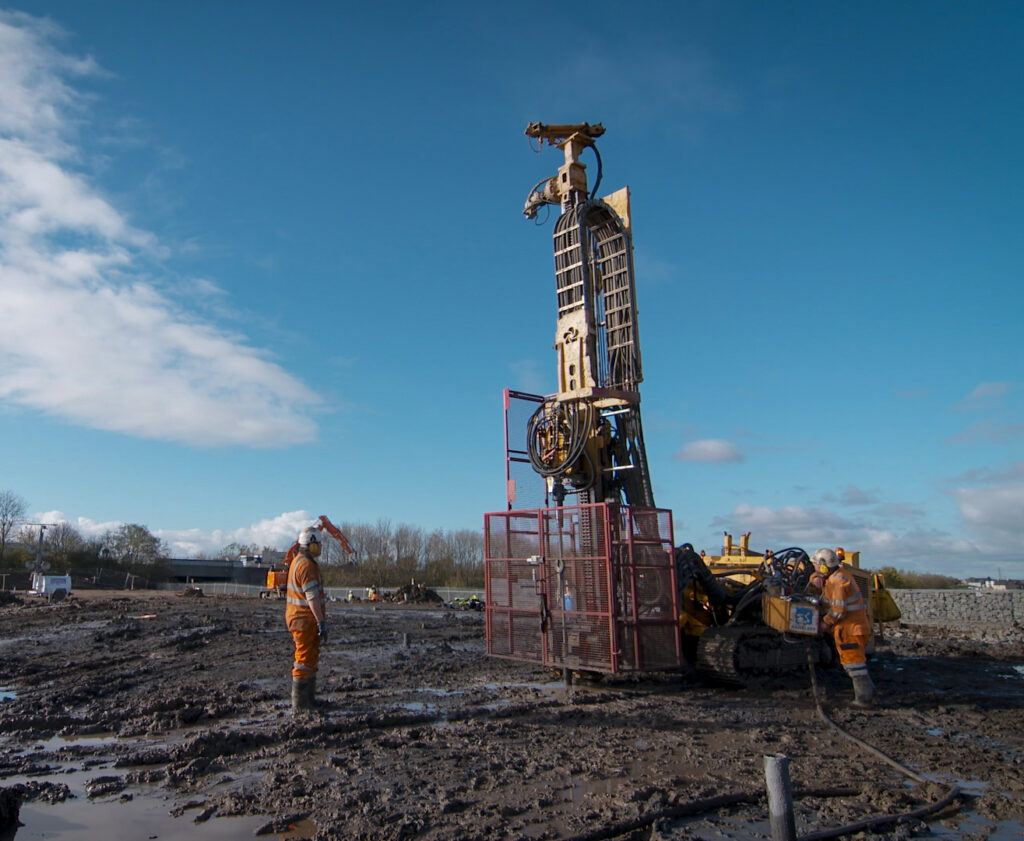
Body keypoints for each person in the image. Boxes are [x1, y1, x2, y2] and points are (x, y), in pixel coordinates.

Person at [813, 547, 874, 707]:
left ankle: (864, 699)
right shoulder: (840, 574)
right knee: (854, 663)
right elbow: (821, 579)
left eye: (816, 566)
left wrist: (823, 625)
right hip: (853, 627)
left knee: (855, 665)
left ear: (824, 566)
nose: (816, 568)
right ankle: (868, 692)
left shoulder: (837, 582)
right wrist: (815, 577)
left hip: (850, 630)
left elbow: (838, 611)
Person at [286, 527, 328, 711]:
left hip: (302, 619)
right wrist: (321, 621)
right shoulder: (306, 565)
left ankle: (308, 700)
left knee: (310, 657)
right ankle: (301, 703)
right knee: (303, 659)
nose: (320, 547)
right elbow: (312, 597)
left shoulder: (299, 561)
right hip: (304, 620)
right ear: (311, 544)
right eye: (318, 544)